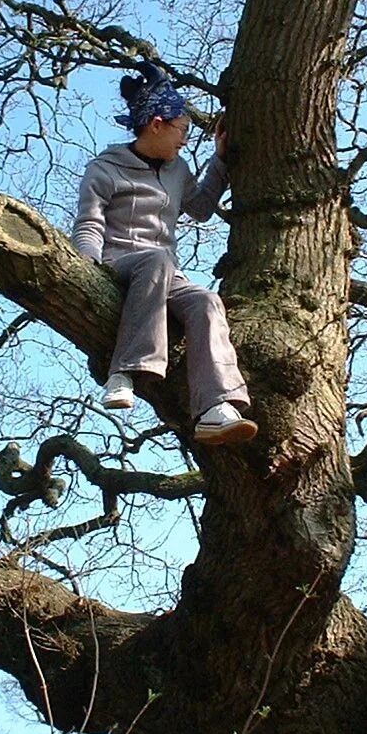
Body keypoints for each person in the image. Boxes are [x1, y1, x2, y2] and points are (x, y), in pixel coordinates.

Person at [72, 61, 256, 446]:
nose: (185, 140)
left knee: (207, 301)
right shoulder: (103, 169)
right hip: (119, 264)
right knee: (156, 260)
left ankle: (216, 408)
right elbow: (89, 225)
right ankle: (123, 374)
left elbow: (201, 207)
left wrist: (220, 160)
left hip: (165, 272)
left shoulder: (177, 169)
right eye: (182, 130)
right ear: (157, 123)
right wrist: (83, 267)